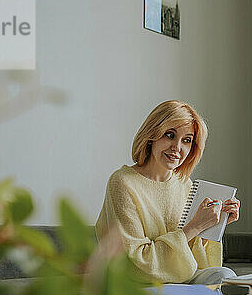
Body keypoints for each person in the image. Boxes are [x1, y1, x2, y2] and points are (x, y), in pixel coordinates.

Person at [95, 100, 240, 285]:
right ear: (151, 135)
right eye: (170, 135)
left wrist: (214, 225)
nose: (177, 148)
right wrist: (194, 226)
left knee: (224, 276)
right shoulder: (123, 182)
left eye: (187, 140)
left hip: (181, 278)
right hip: (140, 283)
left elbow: (194, 260)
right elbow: (134, 262)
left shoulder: (184, 184)